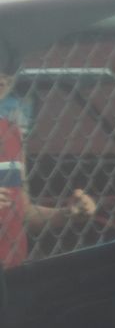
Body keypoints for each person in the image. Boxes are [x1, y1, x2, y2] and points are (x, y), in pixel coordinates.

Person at [0, 44, 96, 267]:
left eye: (9, 69)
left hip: (12, 274)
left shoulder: (11, 132)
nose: (4, 77)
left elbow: (25, 213)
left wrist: (68, 214)